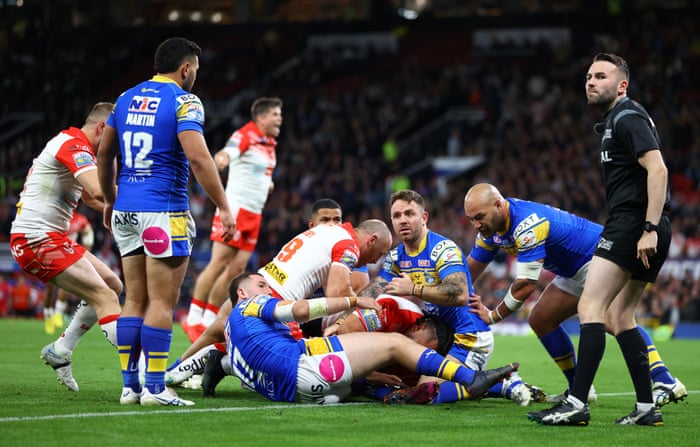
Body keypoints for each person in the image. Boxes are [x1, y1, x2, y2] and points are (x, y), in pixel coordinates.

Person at [528, 53, 672, 426]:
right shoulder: (616, 120)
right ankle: (646, 408)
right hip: (643, 225)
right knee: (621, 316)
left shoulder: (627, 116)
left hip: (632, 225)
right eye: (589, 76)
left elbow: (658, 169)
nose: (591, 81)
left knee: (591, 309)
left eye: (601, 76)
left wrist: (649, 228)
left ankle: (576, 403)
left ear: (621, 85)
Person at [97, 37, 235, 407]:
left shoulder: (125, 98)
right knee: (162, 300)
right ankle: (156, 388)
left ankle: (130, 387)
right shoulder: (185, 101)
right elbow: (199, 159)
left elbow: (104, 152)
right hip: (164, 212)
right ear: (186, 68)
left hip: (126, 210)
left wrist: (110, 200)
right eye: (196, 71)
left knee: (134, 300)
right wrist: (223, 205)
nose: (196, 78)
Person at [463, 183, 686, 406]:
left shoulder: (526, 223)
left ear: (499, 205)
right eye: (471, 219)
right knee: (541, 319)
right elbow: (467, 272)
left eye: (479, 216)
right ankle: (580, 388)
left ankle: (665, 380)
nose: (475, 224)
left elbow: (526, 285)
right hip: (573, 271)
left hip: (600, 256)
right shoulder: (490, 232)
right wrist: (447, 297)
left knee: (614, 319)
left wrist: (493, 316)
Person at [164, 198, 372, 389]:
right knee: (286, 366)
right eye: (326, 219)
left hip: (269, 288)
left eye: (337, 219)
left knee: (222, 325)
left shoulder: (320, 245)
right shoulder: (341, 247)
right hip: (285, 304)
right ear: (312, 224)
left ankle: (179, 368)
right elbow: (340, 296)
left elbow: (342, 295)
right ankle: (216, 362)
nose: (332, 224)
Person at [359, 189, 541, 406]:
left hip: (470, 335)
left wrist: (414, 288)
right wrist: (343, 310)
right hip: (444, 336)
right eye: (397, 216)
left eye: (409, 214)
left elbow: (460, 294)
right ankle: (490, 384)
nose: (403, 220)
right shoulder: (397, 255)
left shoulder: (442, 249)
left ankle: (503, 385)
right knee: (411, 387)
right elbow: (376, 288)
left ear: (424, 217)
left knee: (424, 394)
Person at [225, 281, 519, 404]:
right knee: (393, 344)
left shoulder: (233, 336)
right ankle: (473, 378)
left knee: (397, 387)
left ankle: (500, 387)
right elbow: (303, 312)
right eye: (261, 284)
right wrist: (352, 301)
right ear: (242, 291)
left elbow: (228, 362)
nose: (267, 287)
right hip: (312, 362)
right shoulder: (395, 311)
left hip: (294, 393)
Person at [9, 102, 123, 392]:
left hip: (51, 237)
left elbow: (93, 199)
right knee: (105, 296)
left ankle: (61, 350)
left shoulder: (76, 147)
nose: (113, 148)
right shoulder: (73, 145)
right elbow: (99, 190)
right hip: (35, 240)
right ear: (102, 129)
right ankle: (145, 377)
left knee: (113, 284)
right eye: (114, 139)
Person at [183, 97, 283, 343]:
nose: (279, 118)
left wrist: (267, 185)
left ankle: (208, 320)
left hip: (254, 214)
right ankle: (193, 317)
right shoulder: (246, 134)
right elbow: (227, 153)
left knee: (236, 270)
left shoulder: (269, 143)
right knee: (218, 263)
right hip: (235, 210)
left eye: (279, 114)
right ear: (260, 118)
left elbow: (259, 172)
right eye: (275, 114)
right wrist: (221, 160)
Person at [43, 210, 95, 334]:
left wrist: (87, 247)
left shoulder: (80, 219)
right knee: (50, 288)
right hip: (52, 252)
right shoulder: (56, 216)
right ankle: (47, 314)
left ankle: (58, 313)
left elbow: (88, 232)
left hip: (68, 254)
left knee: (66, 284)